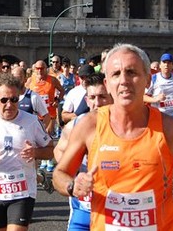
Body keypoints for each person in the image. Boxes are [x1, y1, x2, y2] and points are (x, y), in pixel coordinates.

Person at [53, 43, 173, 230]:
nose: (124, 80)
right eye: (116, 74)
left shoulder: (171, 128)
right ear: (107, 83)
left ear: (148, 80)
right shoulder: (89, 125)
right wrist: (72, 186)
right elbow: (60, 174)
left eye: (132, 72)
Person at [0, 73, 54, 230]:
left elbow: (51, 150)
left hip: (23, 191)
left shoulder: (31, 121)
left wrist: (35, 153)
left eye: (14, 99)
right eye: (4, 100)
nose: (9, 104)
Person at [53, 72, 113, 231]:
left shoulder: (125, 127)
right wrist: (73, 171)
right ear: (86, 100)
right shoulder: (75, 125)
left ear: (112, 97)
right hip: (83, 209)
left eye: (103, 97)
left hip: (114, 212)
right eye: (92, 98)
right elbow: (58, 151)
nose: (97, 103)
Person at [29, 60, 64, 171]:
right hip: (35, 116)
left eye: (42, 68)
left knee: (47, 136)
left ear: (46, 69)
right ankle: (43, 160)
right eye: (37, 68)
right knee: (36, 139)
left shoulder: (52, 80)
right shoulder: (31, 81)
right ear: (34, 69)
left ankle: (49, 160)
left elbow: (61, 91)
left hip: (50, 113)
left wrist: (57, 100)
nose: (40, 70)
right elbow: (23, 92)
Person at [144, 52, 173, 118]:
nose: (166, 65)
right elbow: (143, 97)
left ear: (172, 65)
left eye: (169, 63)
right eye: (164, 62)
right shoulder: (154, 78)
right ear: (160, 65)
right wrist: (155, 99)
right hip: (159, 113)